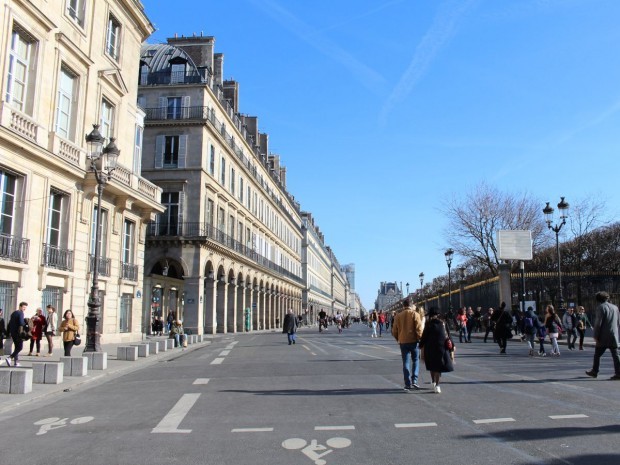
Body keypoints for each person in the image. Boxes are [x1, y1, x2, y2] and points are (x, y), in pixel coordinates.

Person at [585, 292, 620, 380]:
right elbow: (618, 322)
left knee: (597, 354)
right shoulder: (615, 307)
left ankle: (595, 371)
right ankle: (618, 373)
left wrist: (596, 335)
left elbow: (598, 323)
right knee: (615, 355)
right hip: (613, 334)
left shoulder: (601, 307)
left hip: (603, 336)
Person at [419, 307, 454, 394]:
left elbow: (424, 337)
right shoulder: (443, 323)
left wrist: (420, 345)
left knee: (432, 366)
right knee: (438, 367)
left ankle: (434, 382)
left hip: (430, 348)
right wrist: (452, 346)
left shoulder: (428, 324)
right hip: (441, 348)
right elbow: (449, 335)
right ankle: (437, 385)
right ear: (438, 314)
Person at [391, 299, 423, 391]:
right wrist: (420, 338)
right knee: (415, 360)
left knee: (405, 362)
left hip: (403, 341)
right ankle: (414, 380)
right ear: (411, 305)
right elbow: (419, 329)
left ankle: (407, 383)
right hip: (414, 341)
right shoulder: (415, 314)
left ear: (403, 306)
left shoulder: (398, 316)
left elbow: (394, 330)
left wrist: (398, 338)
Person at [4, 302, 28, 367]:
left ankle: (16, 362)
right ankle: (10, 358)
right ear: (20, 306)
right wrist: (26, 323)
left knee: (16, 347)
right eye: (23, 307)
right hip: (18, 333)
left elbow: (9, 323)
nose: (24, 309)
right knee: (20, 347)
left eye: (25, 308)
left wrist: (8, 332)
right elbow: (21, 323)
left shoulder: (14, 313)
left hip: (13, 332)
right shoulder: (20, 313)